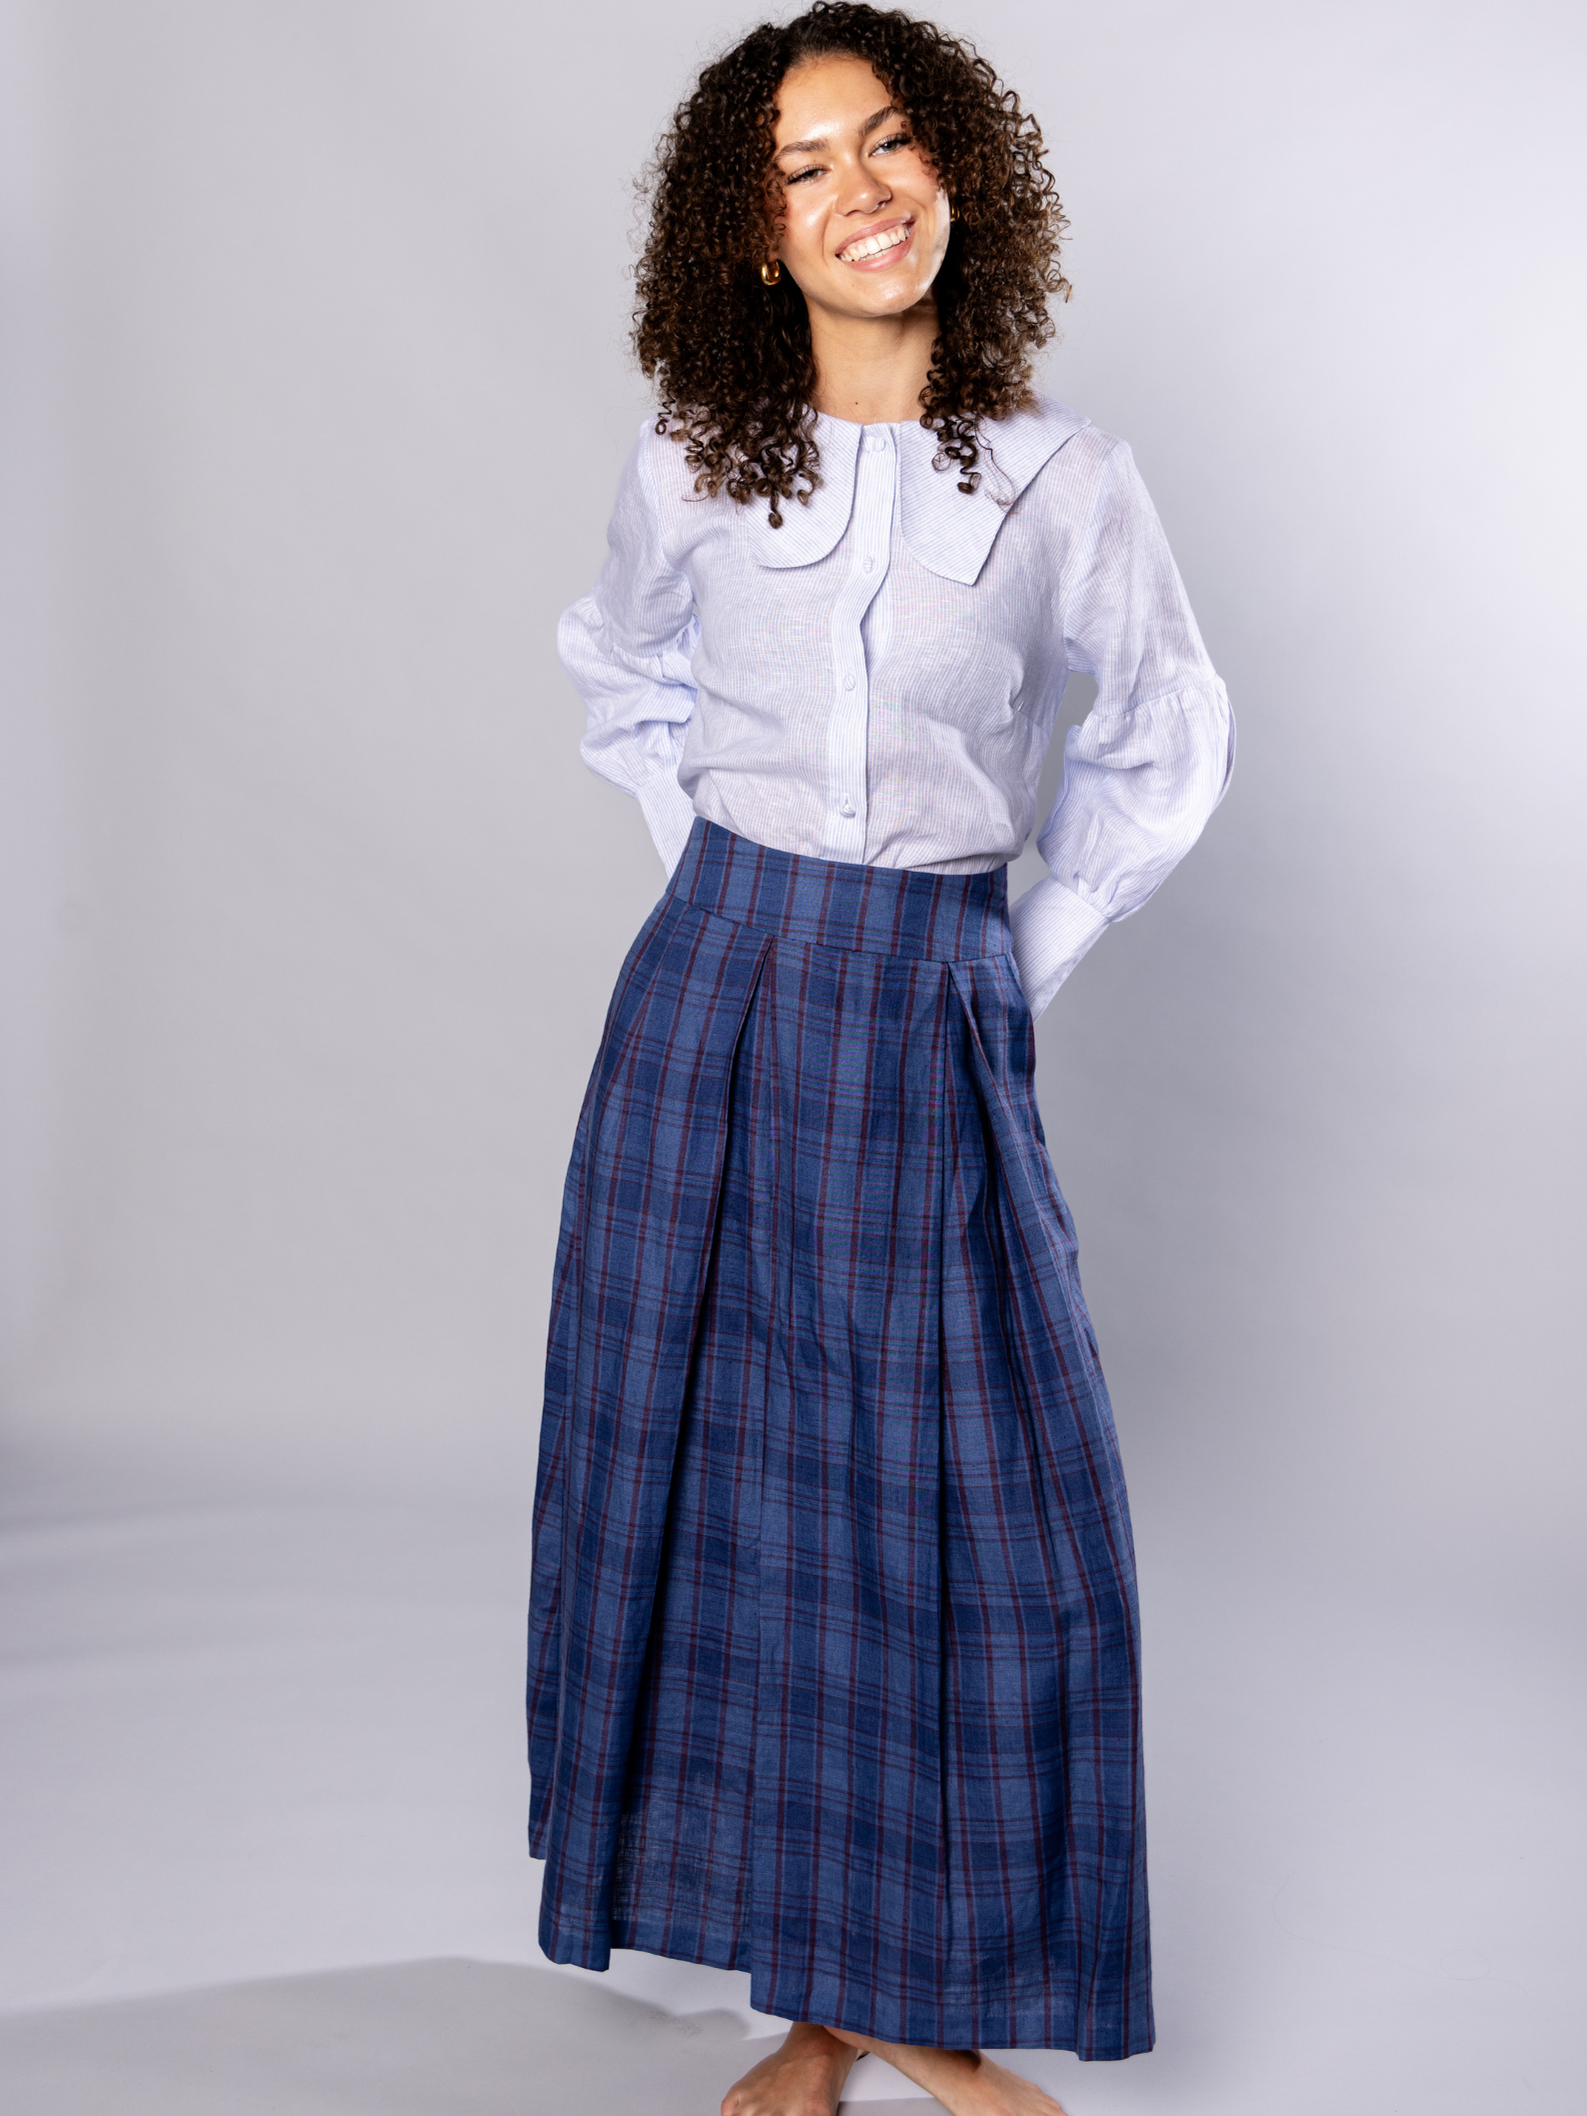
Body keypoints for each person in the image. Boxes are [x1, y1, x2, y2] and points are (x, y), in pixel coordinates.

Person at [527, 7, 1233, 2111]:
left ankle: (906, 1995)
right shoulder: (688, 457)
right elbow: (615, 667)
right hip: (710, 994)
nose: (863, 189)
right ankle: (830, 2016)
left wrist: (1007, 949)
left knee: (965, 1500)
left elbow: (1166, 727)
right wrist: (723, 889)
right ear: (752, 235)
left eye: (893, 141)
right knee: (737, 1483)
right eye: (806, 164)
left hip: (926, 992)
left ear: (958, 175)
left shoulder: (1057, 479)